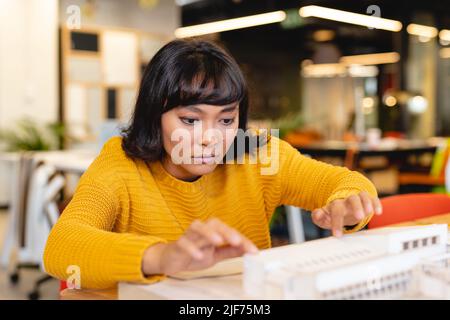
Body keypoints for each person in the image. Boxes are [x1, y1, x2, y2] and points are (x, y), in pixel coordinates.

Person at [44, 39, 382, 289]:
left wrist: (350, 203)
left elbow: (345, 183)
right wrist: (161, 256)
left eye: (225, 120)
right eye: (190, 120)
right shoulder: (122, 161)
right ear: (155, 114)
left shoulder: (255, 154)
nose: (211, 138)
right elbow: (62, 247)